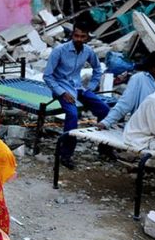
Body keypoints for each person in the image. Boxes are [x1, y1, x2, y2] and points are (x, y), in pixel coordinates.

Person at [43, 22, 110, 169]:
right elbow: (47, 76)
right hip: (61, 87)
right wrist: (62, 92)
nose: (79, 39)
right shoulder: (59, 50)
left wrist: (91, 87)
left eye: (82, 36)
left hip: (78, 87)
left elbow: (98, 69)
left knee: (104, 109)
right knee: (73, 115)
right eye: (76, 35)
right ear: (72, 35)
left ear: (87, 37)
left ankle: (105, 148)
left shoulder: (88, 51)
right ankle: (65, 154)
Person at [97, 51, 155, 129]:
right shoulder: (139, 79)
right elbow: (125, 104)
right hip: (144, 127)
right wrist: (106, 122)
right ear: (152, 67)